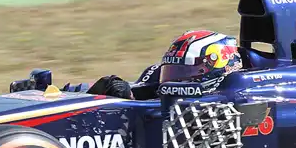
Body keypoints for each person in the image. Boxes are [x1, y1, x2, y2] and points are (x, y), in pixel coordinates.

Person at [87, 30, 243, 99]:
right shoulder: (153, 77)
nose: (174, 79)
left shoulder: (235, 98)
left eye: (183, 72)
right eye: (172, 71)